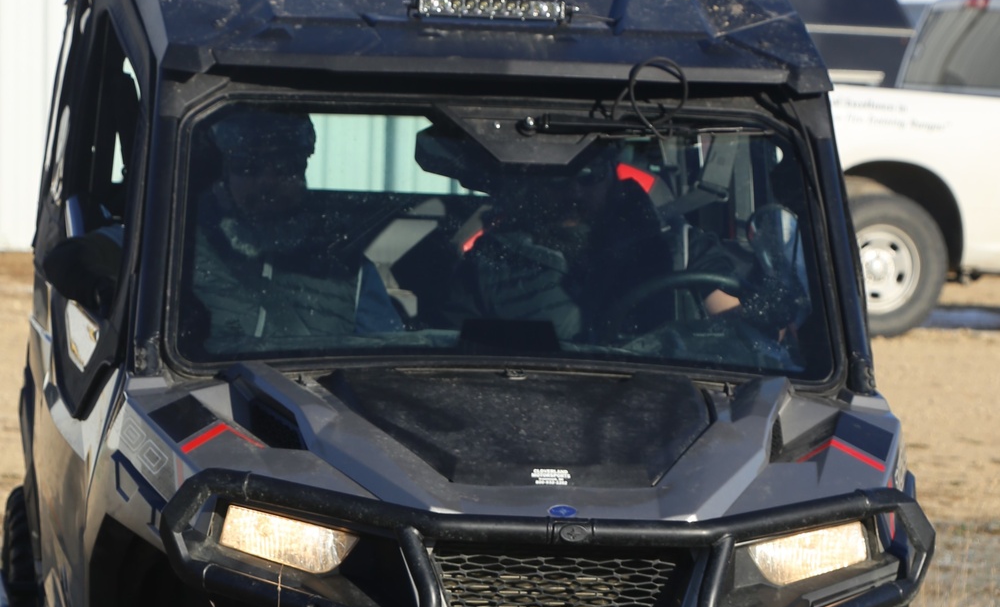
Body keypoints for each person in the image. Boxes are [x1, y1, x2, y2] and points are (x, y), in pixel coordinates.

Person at [444, 153, 742, 344]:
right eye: (557, 178)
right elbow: (452, 359)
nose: (574, 192)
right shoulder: (489, 265)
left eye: (589, 175)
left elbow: (741, 335)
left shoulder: (680, 248)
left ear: (612, 177)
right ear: (533, 185)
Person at [182, 108, 401, 356]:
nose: (267, 181)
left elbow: (387, 358)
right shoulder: (183, 259)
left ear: (302, 171)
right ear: (224, 176)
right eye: (248, 168)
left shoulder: (348, 271)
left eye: (283, 167)